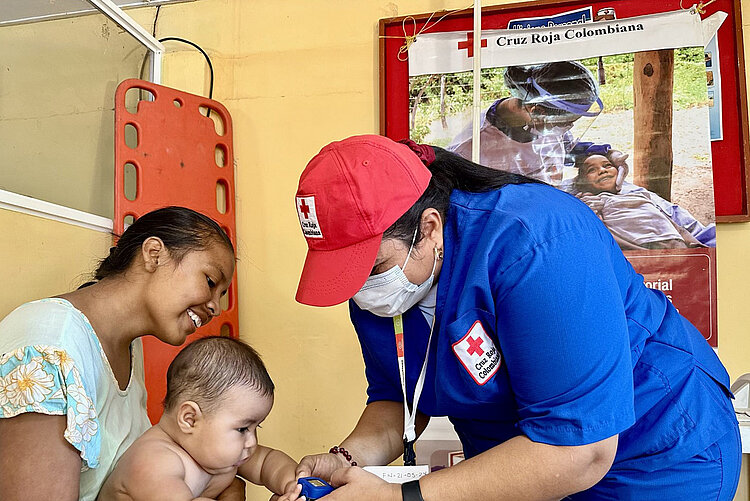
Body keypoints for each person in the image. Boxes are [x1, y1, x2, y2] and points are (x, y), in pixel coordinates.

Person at [291, 135, 740, 500]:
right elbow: (398, 399)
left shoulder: (536, 241)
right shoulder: (377, 285)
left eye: (370, 269)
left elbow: (580, 449)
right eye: (345, 275)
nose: (359, 290)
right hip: (517, 466)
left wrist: (402, 498)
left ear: (429, 228)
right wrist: (346, 461)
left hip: (652, 454)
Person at [0, 207, 245, 501]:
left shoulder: (128, 346)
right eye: (210, 282)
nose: (215, 308)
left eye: (221, 295)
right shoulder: (48, 345)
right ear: (154, 254)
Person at [99, 336, 301, 501]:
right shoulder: (154, 462)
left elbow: (267, 461)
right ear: (190, 419)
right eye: (242, 429)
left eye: (256, 427)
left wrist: (293, 485)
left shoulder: (216, 453)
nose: (252, 442)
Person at [448, 60, 605, 185]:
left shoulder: (540, 123)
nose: (566, 129)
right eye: (564, 123)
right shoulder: (471, 150)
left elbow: (561, 147)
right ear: (534, 109)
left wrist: (591, 153)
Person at [572, 150, 716, 249]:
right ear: (582, 182)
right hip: (636, 251)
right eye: (592, 170)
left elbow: (676, 221)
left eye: (607, 165)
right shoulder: (587, 201)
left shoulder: (639, 194)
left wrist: (694, 242)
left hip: (672, 242)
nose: (602, 170)